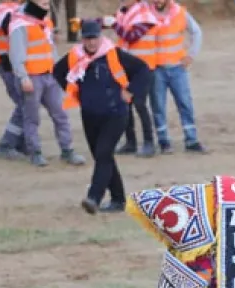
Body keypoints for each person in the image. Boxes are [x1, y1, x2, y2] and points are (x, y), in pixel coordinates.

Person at [53, 19, 152, 214]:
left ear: (101, 37)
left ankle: (94, 198)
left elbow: (143, 70)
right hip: (89, 115)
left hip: (116, 113)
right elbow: (58, 71)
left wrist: (131, 91)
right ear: (82, 39)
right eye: (88, 39)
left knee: (104, 154)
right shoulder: (75, 56)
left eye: (95, 38)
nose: (91, 43)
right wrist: (76, 91)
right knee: (102, 156)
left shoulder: (113, 54)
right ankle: (118, 199)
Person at [8, 0, 87, 167]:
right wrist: (23, 77)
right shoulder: (19, 25)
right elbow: (16, 55)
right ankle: (35, 152)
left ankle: (67, 150)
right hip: (32, 78)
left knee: (61, 114)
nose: (45, 2)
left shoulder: (45, 22)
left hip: (50, 76)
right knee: (32, 118)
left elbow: (50, 49)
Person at [148, 0, 208, 154]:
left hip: (177, 67)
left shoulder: (180, 13)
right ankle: (164, 141)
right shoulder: (145, 14)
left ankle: (191, 139)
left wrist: (191, 55)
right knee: (158, 107)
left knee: (185, 103)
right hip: (156, 68)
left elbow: (196, 32)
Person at [112, 0, 159, 157]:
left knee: (139, 104)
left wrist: (113, 24)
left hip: (144, 67)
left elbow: (131, 36)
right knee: (125, 104)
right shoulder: (123, 13)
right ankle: (130, 142)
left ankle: (148, 142)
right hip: (126, 65)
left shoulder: (146, 16)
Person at [0, 0, 30, 160]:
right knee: (24, 106)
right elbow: (7, 26)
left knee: (27, 106)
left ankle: (21, 143)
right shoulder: (3, 11)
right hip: (10, 67)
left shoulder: (23, 10)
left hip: (22, 66)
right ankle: (6, 145)